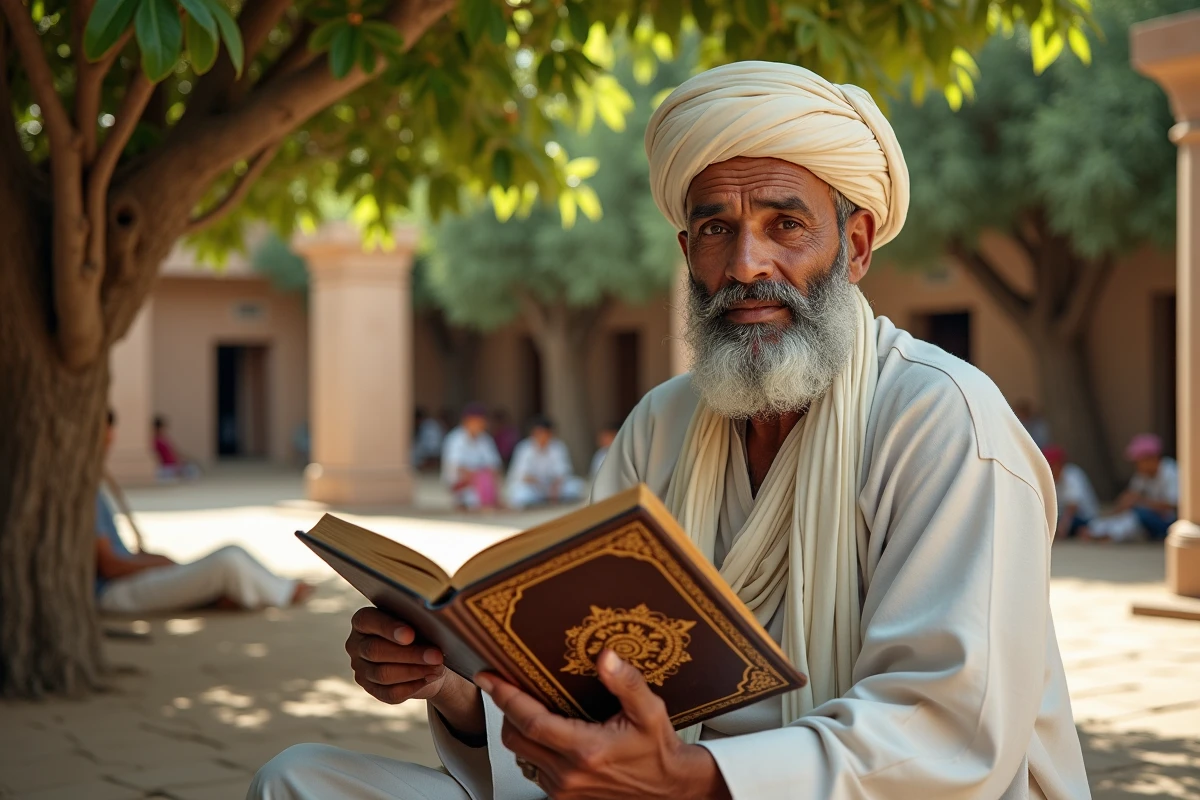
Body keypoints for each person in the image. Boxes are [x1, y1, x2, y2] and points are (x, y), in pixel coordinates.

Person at [250, 62, 1088, 800]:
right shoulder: (659, 425)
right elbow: (584, 686)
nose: (747, 265)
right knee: (300, 779)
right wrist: (453, 686)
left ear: (857, 244)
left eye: (786, 224)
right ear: (689, 252)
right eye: (718, 229)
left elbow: (946, 734)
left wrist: (691, 781)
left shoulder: (943, 422)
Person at [97, 410, 311, 614]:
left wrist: (156, 560)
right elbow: (110, 567)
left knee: (233, 549)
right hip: (114, 592)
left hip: (127, 580)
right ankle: (283, 594)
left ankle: (279, 586)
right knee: (227, 563)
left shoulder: (94, 489)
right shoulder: (88, 495)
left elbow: (117, 556)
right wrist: (161, 564)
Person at [1087, 433, 1179, 543]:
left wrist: (1141, 502)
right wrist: (1114, 513)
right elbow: (1130, 495)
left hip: (1171, 524)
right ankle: (1098, 532)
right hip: (1150, 517)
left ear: (1153, 458)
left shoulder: (1171, 472)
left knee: (1137, 514)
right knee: (1127, 515)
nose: (1137, 465)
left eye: (1139, 461)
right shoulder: (1142, 475)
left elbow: (1174, 505)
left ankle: (1110, 536)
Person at [505, 417, 586, 510]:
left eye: (544, 433)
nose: (542, 437)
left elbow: (563, 472)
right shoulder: (524, 448)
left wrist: (555, 486)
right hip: (534, 488)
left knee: (576, 486)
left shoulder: (558, 447)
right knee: (520, 494)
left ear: (550, 433)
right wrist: (539, 483)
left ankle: (549, 500)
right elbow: (521, 475)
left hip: (554, 487)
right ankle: (537, 502)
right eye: (539, 433)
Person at [441, 404, 503, 511]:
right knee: (472, 499)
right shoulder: (455, 439)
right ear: (467, 421)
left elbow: (494, 466)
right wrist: (477, 476)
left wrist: (489, 483)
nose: (479, 425)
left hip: (481, 482)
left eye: (481, 421)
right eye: (476, 421)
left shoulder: (485, 439)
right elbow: (456, 467)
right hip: (460, 483)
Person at [1043, 445, 1100, 540]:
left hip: (1083, 517)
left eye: (1052, 466)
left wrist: (1063, 527)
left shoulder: (1072, 476)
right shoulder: (1048, 479)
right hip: (1062, 516)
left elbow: (1072, 506)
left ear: (1060, 464)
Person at [153, 414, 200, 480]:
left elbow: (173, 452)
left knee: (192, 468)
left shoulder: (164, 439)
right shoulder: (157, 440)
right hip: (167, 467)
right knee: (191, 470)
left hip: (173, 465)